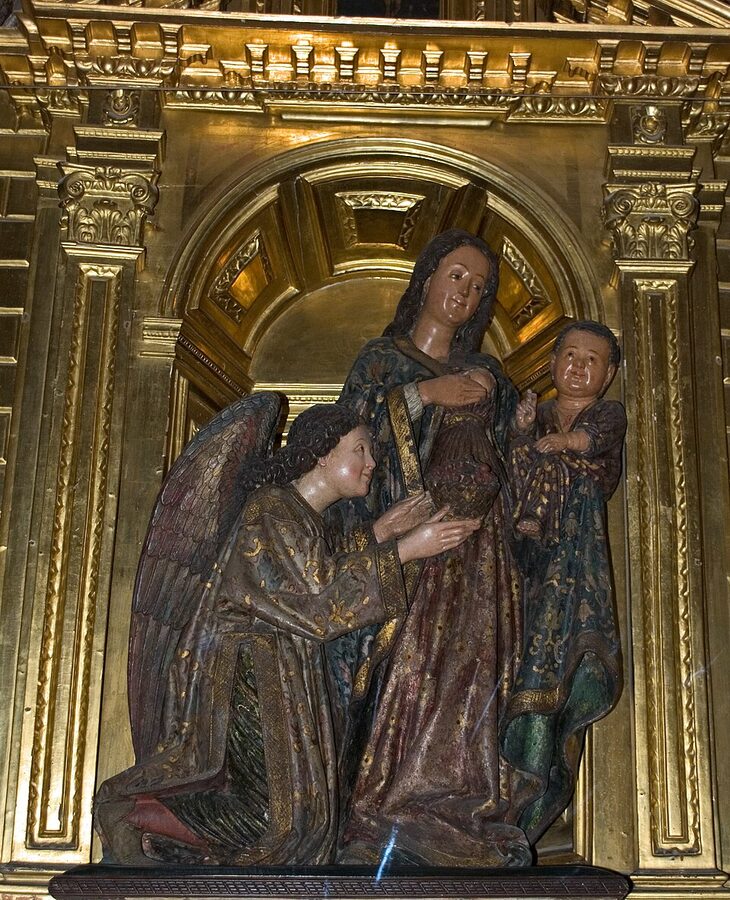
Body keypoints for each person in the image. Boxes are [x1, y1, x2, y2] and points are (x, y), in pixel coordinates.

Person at [94, 403, 480, 866]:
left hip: (281, 671)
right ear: (321, 454)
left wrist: (379, 532)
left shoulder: (297, 515)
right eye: (360, 449)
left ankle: (164, 835)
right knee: (277, 820)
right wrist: (403, 550)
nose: (371, 463)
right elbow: (316, 601)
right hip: (248, 675)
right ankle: (132, 812)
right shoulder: (270, 507)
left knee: (307, 824)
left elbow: (315, 567)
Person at [336, 229, 533, 867]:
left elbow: (503, 458)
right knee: (407, 664)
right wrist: (423, 396)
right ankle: (384, 801)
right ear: (426, 279)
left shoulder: (487, 374)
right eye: (457, 276)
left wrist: (522, 432)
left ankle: (463, 806)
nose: (466, 294)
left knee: (474, 671)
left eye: (478, 288)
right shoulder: (382, 359)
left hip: (480, 552)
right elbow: (349, 437)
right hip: (410, 544)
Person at [502, 320, 626, 843]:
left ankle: (533, 806)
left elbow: (594, 439)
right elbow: (514, 458)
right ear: (552, 364)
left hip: (573, 568)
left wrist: (559, 442)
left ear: (611, 372)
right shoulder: (544, 413)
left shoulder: (605, 413)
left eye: (591, 359)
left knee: (558, 673)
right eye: (569, 356)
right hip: (529, 562)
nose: (577, 366)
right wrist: (523, 429)